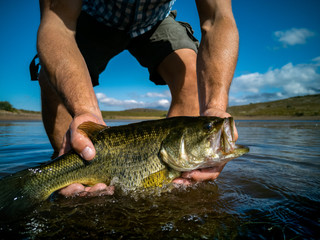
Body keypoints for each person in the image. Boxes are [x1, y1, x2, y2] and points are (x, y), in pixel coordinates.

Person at [31, 0, 239, 197]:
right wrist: (86, 111)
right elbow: (56, 25)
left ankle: (175, 187)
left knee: (192, 80)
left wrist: (214, 107)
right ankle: (63, 174)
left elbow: (217, 18)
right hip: (91, 17)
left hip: (154, 20)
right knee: (52, 83)